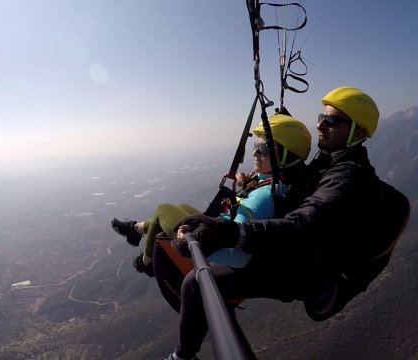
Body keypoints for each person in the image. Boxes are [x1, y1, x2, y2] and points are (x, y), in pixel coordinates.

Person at [162, 86, 386, 360]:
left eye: (331, 120)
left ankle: (182, 358)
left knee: (194, 284)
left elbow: (303, 224)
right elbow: (297, 175)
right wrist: (259, 174)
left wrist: (231, 232)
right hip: (294, 253)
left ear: (359, 133)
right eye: (321, 116)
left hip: (302, 270)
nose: (319, 125)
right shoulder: (330, 160)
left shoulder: (348, 177)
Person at [110, 114, 312, 278]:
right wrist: (246, 183)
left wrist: (201, 245)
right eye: (255, 147)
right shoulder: (278, 184)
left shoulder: (262, 197)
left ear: (287, 155)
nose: (255, 154)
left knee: (164, 209)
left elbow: (239, 254)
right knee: (180, 206)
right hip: (218, 228)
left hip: (213, 246)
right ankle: (135, 230)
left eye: (264, 149)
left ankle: (146, 263)